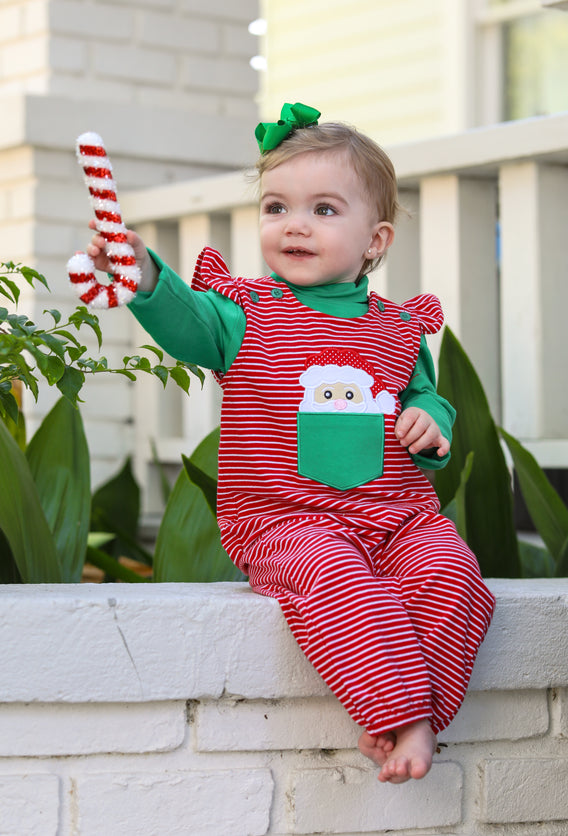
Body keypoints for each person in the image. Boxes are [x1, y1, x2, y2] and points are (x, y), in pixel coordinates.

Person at [87, 102, 496, 785]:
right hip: (285, 520)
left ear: (376, 239)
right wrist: (146, 276)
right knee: (337, 580)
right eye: (277, 206)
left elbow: (423, 395)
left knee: (454, 575)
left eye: (324, 210)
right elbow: (187, 324)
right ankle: (400, 716)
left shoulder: (398, 329)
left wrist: (433, 424)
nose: (294, 224)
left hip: (399, 515)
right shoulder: (243, 312)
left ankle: (416, 710)